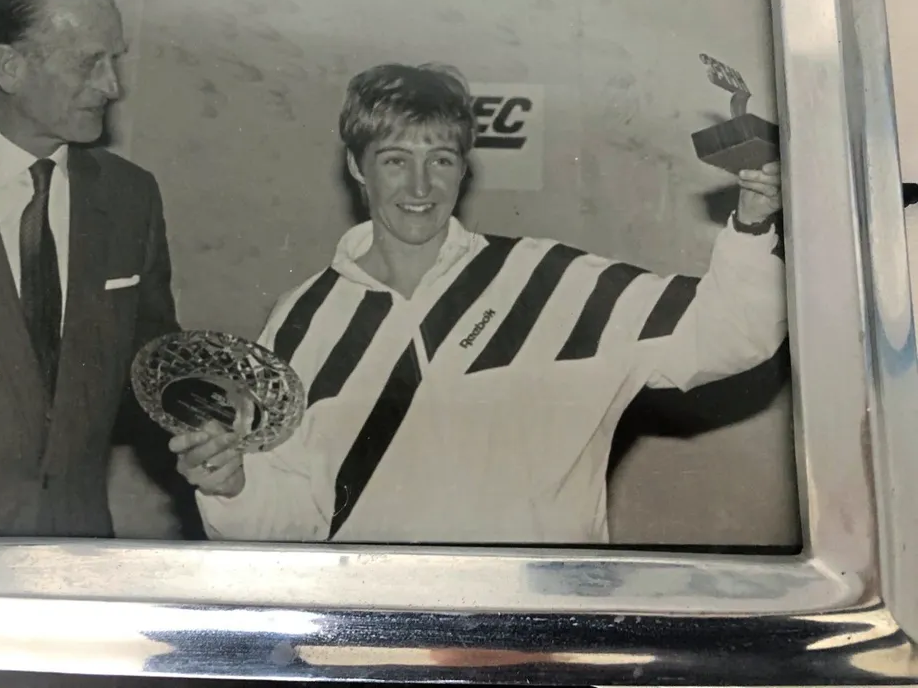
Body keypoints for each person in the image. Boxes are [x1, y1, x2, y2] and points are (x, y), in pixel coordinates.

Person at [170, 62, 787, 545]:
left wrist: (754, 224)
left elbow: (733, 335)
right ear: (358, 168)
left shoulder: (552, 281)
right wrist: (232, 488)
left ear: (464, 169)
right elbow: (292, 521)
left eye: (440, 160)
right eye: (395, 161)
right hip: (385, 639)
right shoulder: (303, 319)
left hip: (542, 634)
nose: (420, 187)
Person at [0, 0, 189, 538]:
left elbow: (149, 371)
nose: (112, 85)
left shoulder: (131, 197)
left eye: (114, 60)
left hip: (77, 547)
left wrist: (202, 426)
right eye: (90, 61)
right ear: (10, 67)